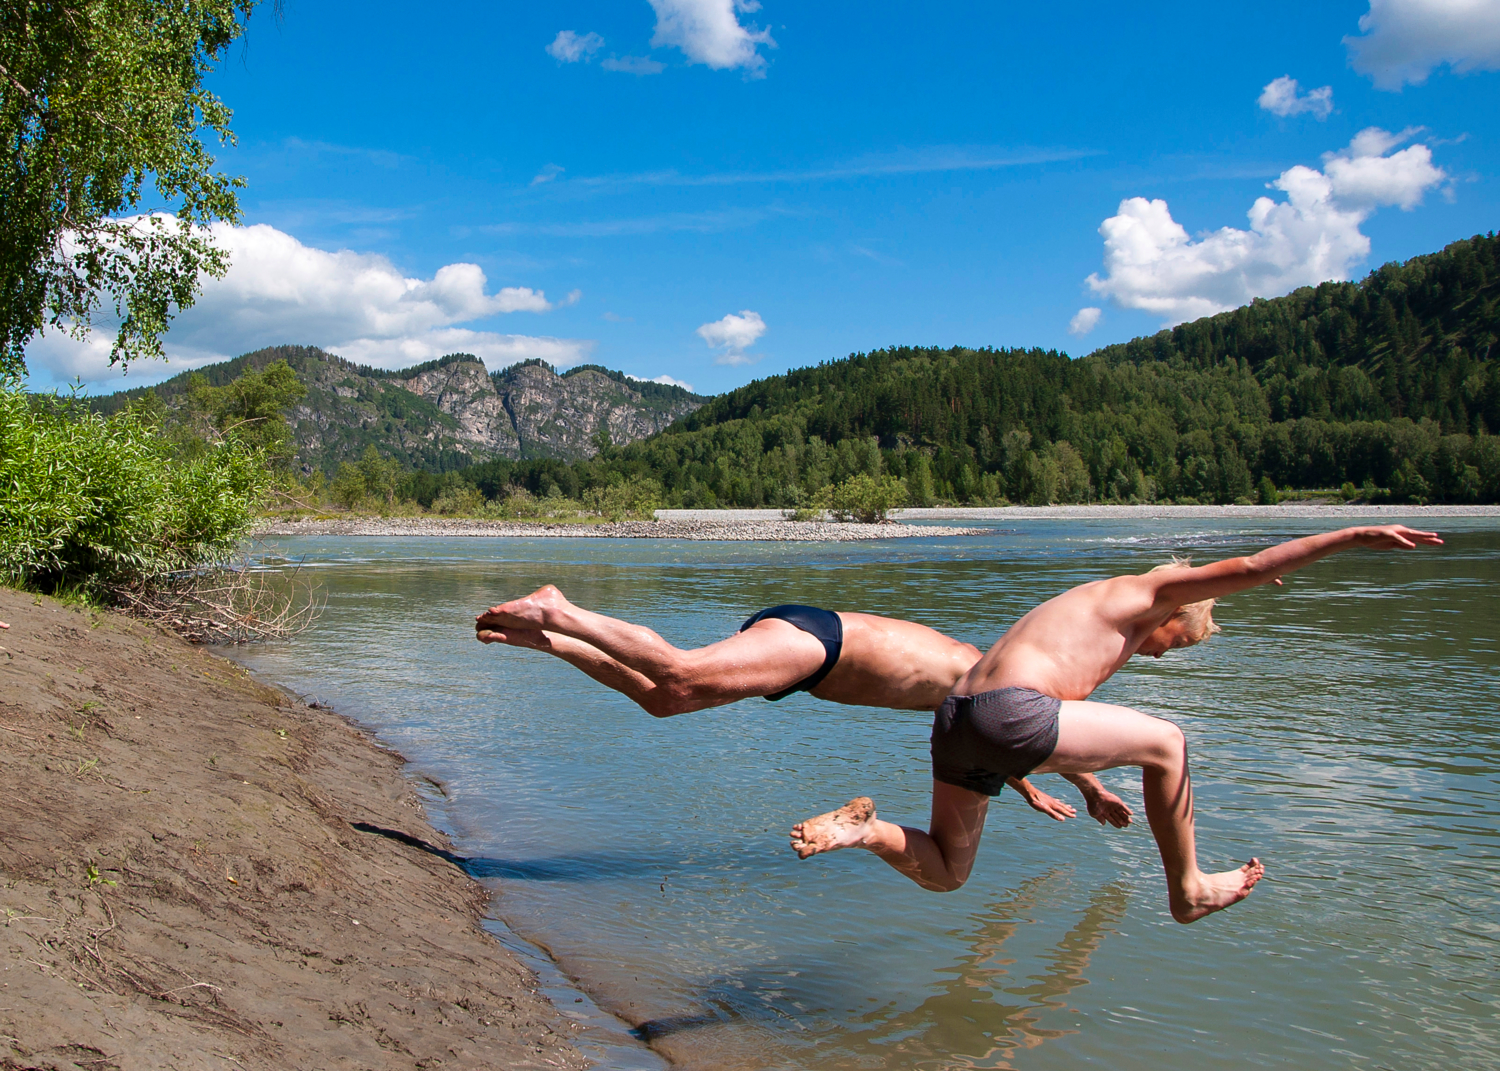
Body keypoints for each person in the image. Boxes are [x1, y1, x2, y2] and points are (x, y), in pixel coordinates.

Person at [788, 525, 1443, 923]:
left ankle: (865, 830)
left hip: (959, 716)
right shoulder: (1141, 594)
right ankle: (1187, 890)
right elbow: (1245, 567)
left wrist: (1091, 787)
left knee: (949, 869)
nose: (1160, 654)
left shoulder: (1093, 603)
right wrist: (1354, 538)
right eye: (1175, 644)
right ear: (1173, 611)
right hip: (1008, 713)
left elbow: (1023, 721)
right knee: (1168, 741)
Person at [475, 593, 1132, 827]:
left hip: (813, 662)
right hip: (822, 643)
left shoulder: (976, 686)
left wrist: (1034, 787)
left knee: (663, 699)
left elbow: (1003, 734)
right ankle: (561, 608)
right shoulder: (984, 671)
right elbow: (1032, 727)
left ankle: (544, 636)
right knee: (679, 667)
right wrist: (1083, 784)